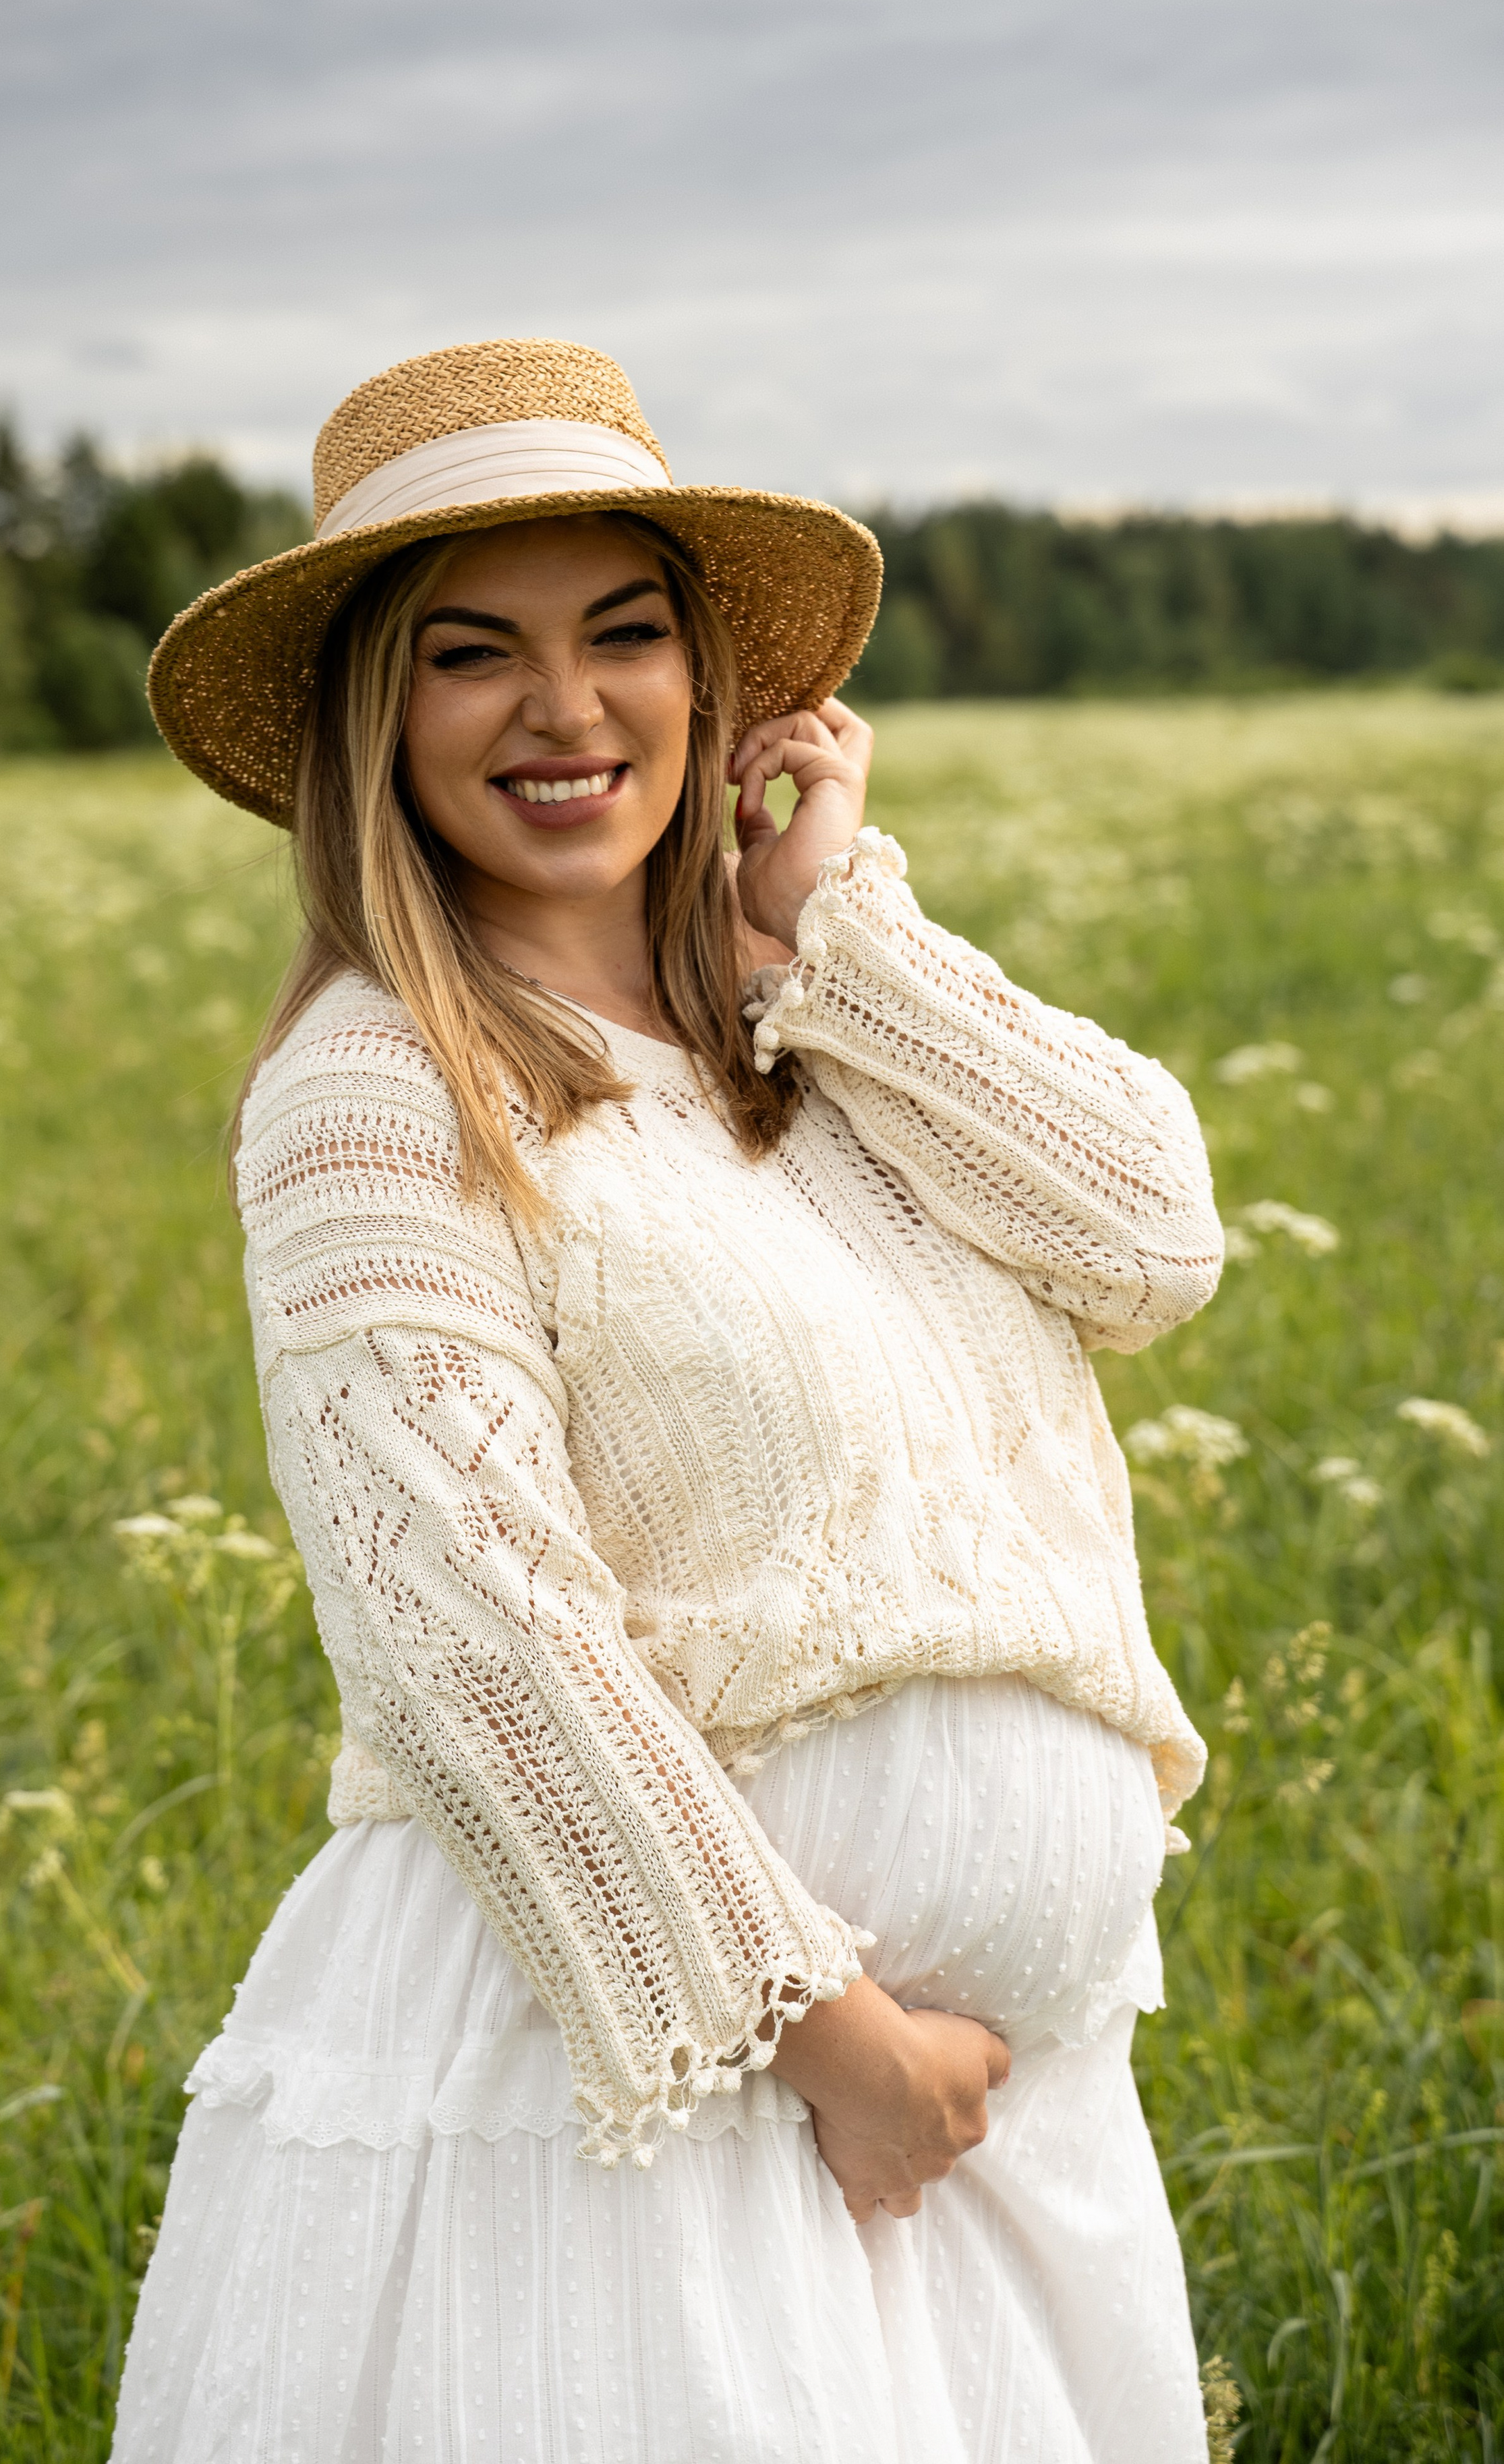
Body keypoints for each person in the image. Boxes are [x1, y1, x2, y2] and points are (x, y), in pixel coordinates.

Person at [113, 337, 1224, 2463]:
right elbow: (471, 1626)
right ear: (377, 717)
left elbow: (1152, 1240)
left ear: (714, 688)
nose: (567, 708)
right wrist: (831, 2041)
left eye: (626, 634)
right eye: (474, 656)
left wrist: (832, 924)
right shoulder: (379, 1083)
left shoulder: (807, 1026)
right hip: (649, 2106)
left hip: (1005, 2117)